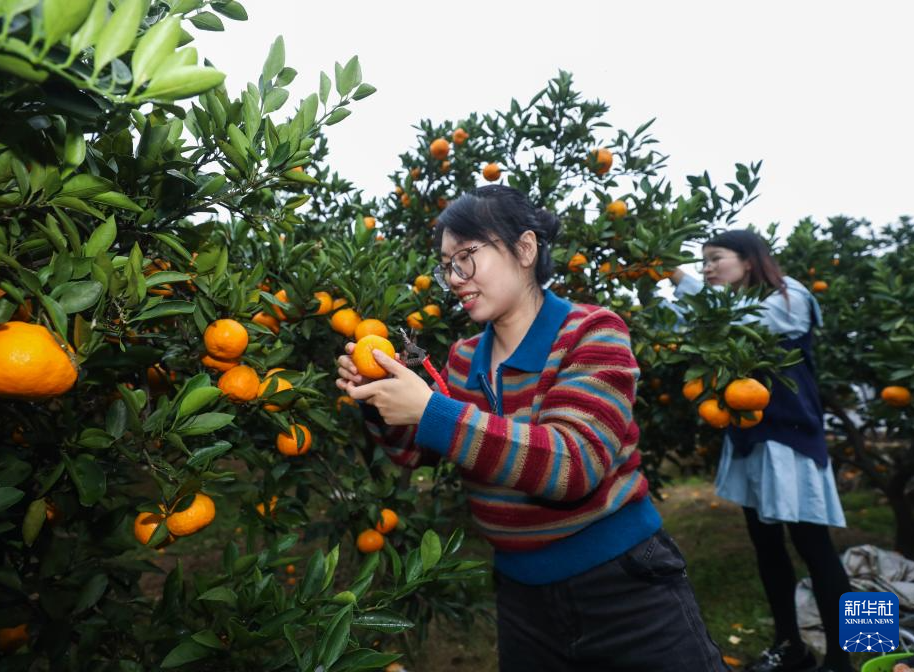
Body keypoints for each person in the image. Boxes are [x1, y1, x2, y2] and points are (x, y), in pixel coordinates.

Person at [336, 185, 728, 671]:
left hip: (624, 585)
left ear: (524, 249)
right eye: (446, 264)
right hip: (522, 596)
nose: (455, 277)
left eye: (467, 257)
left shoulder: (591, 332)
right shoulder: (461, 359)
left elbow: (573, 465)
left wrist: (430, 411)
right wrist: (377, 399)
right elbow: (411, 454)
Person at [668, 230, 853, 672]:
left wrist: (677, 276)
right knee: (765, 546)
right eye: (703, 262)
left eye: (716, 259)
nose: (707, 268)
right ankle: (791, 647)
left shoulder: (789, 297)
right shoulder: (721, 310)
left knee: (816, 547)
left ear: (748, 260)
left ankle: (852, 654)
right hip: (749, 438)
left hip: (791, 440)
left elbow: (740, 320)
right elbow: (682, 325)